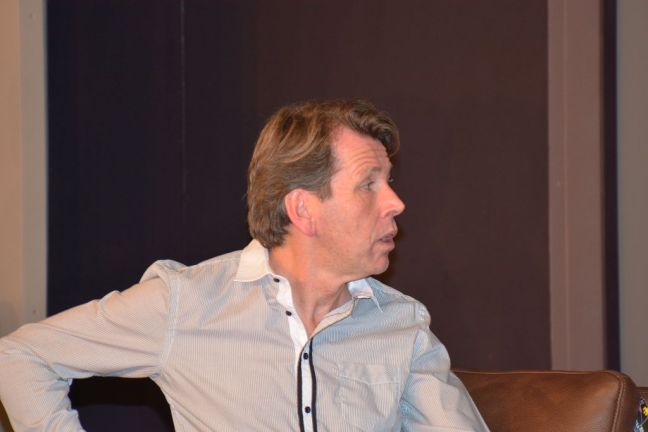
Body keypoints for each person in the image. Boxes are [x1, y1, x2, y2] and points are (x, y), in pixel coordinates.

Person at [0, 100, 489, 431]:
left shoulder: (401, 324)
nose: (396, 203)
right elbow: (20, 356)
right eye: (368, 184)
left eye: (389, 181)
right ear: (303, 209)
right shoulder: (187, 303)